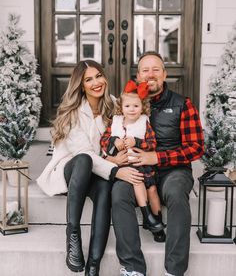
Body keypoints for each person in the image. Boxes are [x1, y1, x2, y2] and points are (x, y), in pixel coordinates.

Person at [37, 60, 144, 276]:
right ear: (81, 85)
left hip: (99, 171)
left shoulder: (115, 105)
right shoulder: (72, 112)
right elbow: (83, 152)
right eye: (88, 79)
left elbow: (125, 133)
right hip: (73, 169)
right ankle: (73, 233)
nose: (96, 82)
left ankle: (93, 266)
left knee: (105, 189)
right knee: (86, 160)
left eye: (98, 76)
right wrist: (115, 167)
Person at [111, 51, 204, 276]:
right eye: (145, 70)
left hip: (173, 170)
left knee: (175, 192)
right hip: (137, 170)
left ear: (164, 74)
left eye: (155, 69)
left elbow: (196, 147)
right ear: (138, 75)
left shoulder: (183, 104)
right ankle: (133, 268)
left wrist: (157, 157)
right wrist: (114, 157)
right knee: (119, 192)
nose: (150, 74)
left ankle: (174, 270)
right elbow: (110, 135)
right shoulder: (127, 104)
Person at [100, 80, 165, 234]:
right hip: (124, 164)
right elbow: (103, 141)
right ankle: (146, 215)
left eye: (136, 106)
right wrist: (113, 141)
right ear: (121, 107)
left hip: (142, 163)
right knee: (137, 180)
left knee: (153, 190)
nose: (131, 109)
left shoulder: (144, 122)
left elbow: (152, 143)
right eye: (127, 106)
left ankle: (157, 223)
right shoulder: (115, 122)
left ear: (142, 107)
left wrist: (136, 142)